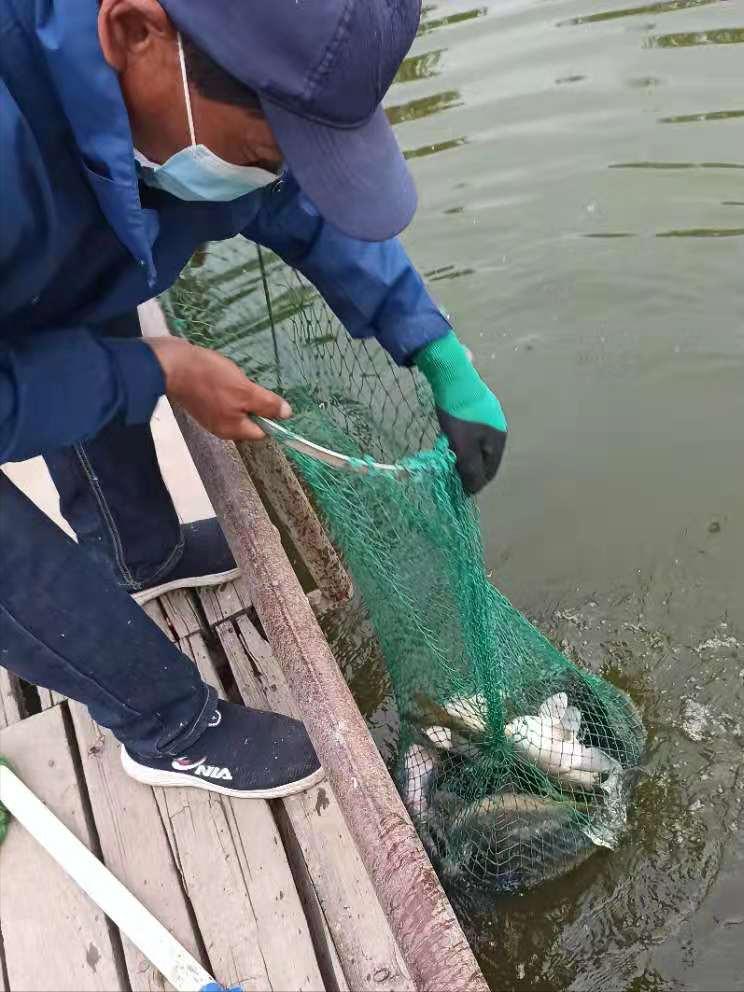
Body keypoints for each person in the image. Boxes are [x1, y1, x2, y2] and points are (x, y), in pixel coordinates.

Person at [0, 0, 507, 799]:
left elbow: (292, 197)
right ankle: (167, 727)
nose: (273, 172)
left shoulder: (178, 100)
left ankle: (144, 556)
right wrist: (155, 371)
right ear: (134, 33)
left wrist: (436, 348)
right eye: (265, 147)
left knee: (83, 277)